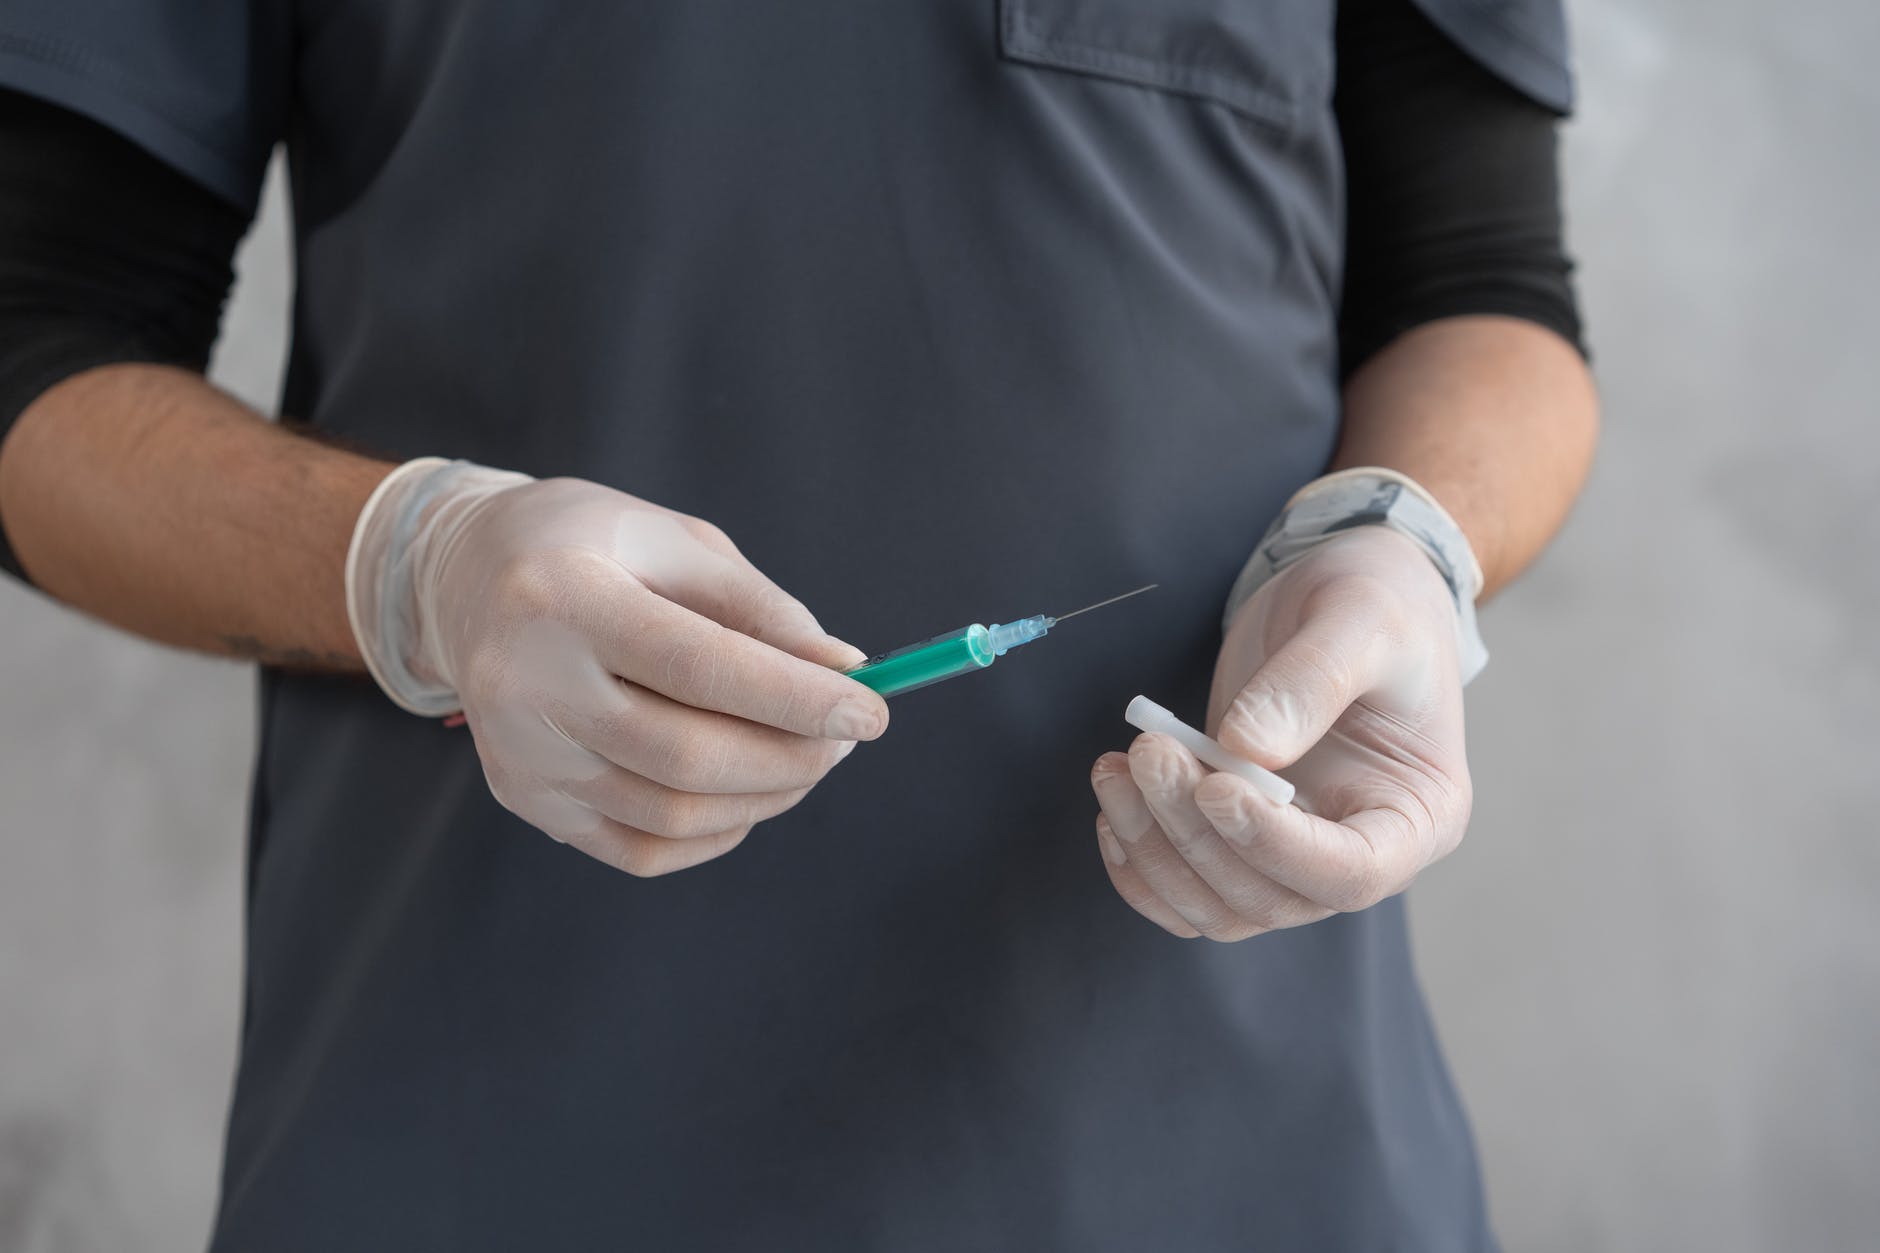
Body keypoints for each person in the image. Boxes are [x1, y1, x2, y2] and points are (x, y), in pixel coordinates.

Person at [0, 0, 1597, 1247]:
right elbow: (35, 355)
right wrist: (419, 559)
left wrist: (1402, 541)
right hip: (495, 1150)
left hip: (1244, 1168)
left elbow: (1485, 284)